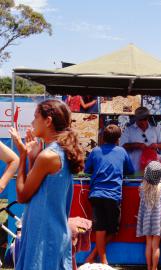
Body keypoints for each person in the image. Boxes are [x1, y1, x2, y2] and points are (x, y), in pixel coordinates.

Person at [9, 99, 85, 270]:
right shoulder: (56, 152)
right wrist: (31, 157)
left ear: (48, 121)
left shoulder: (49, 156)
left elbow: (22, 196)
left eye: (36, 117)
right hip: (50, 232)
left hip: (43, 235)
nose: (32, 122)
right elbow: (43, 189)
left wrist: (22, 154)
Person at [84, 124, 134, 264]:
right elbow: (130, 170)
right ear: (118, 139)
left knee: (100, 228)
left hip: (96, 194)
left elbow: (87, 170)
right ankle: (101, 260)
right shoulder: (122, 152)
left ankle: (93, 257)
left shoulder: (95, 151)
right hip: (113, 195)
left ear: (102, 137)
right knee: (112, 230)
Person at [136, 161, 161, 270]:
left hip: (146, 220)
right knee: (156, 246)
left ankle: (149, 267)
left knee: (148, 244)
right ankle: (154, 268)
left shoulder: (142, 187)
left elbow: (141, 197)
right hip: (157, 221)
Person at [120, 106, 161, 172]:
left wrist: (156, 145)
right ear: (136, 119)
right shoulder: (128, 130)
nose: (142, 122)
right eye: (140, 120)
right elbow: (122, 147)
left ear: (147, 118)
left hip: (153, 172)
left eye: (144, 119)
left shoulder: (156, 129)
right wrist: (136, 145)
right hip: (135, 171)